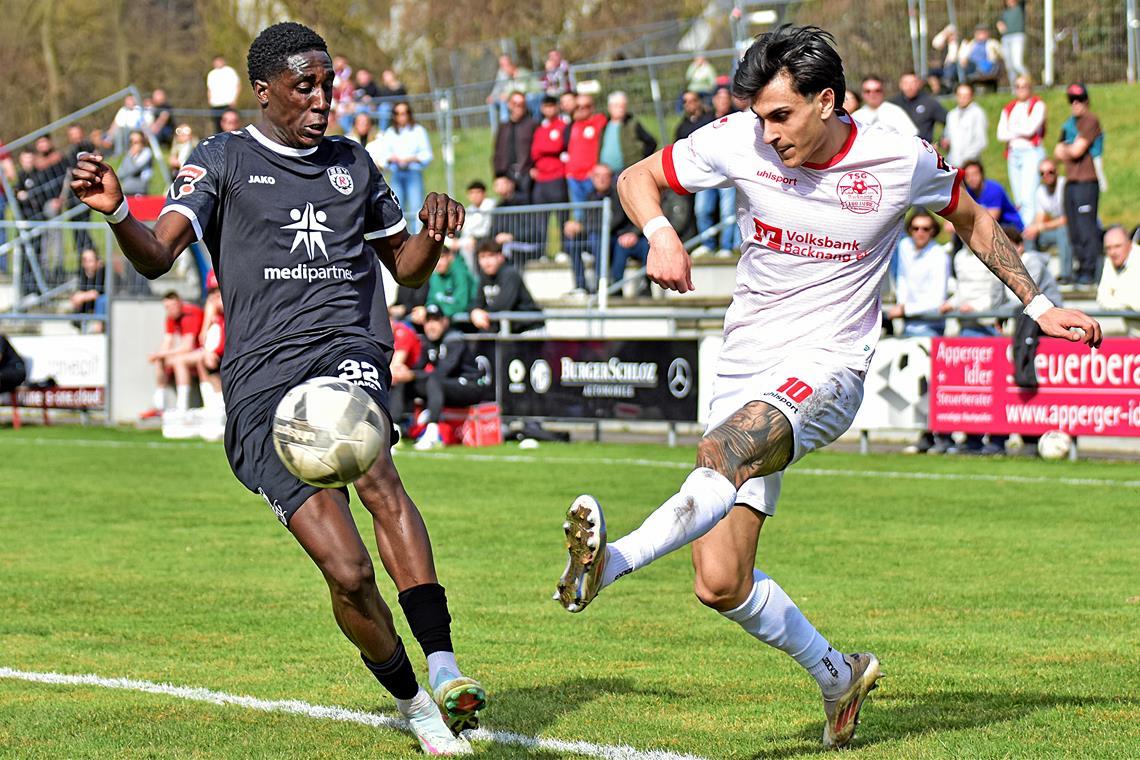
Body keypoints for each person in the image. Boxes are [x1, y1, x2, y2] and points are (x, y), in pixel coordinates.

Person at [555, 25, 1101, 750]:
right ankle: (838, 674)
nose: (768, 132)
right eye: (760, 117)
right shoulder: (739, 140)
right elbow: (635, 178)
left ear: (827, 101)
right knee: (720, 581)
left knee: (724, 452)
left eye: (781, 115)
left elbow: (971, 218)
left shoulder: (899, 158)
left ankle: (610, 564)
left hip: (829, 366)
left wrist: (1039, 305)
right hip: (744, 364)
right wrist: (659, 232)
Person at [70, 22, 483, 755]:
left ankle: (445, 665)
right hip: (260, 382)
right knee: (347, 572)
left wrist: (435, 230)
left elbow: (407, 269)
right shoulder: (221, 160)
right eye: (305, 87)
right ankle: (414, 703)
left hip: (346, 348)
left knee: (377, 472)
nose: (322, 100)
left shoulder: (354, 163)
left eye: (328, 85)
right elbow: (158, 255)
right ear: (264, 91)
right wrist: (119, 212)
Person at [889, 211, 953, 455]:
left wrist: (906, 309)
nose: (920, 233)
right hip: (910, 325)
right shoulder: (905, 247)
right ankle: (926, 434)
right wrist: (902, 304)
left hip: (929, 325)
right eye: (915, 228)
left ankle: (943, 436)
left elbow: (937, 299)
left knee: (933, 384)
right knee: (917, 386)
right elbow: (902, 280)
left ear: (933, 231)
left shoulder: (938, 255)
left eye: (926, 229)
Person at [392, 305, 493, 450]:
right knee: (403, 380)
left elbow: (443, 371)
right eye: (428, 321)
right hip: (444, 386)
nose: (431, 326)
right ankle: (394, 430)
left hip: (469, 386)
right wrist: (405, 373)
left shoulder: (454, 339)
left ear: (444, 322)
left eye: (435, 320)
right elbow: (419, 367)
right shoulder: (428, 342)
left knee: (434, 380)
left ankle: (432, 433)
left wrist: (412, 374)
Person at [1055, 83, 1104, 285]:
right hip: (1071, 182)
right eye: (1071, 100)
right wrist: (1070, 149)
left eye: (1079, 99)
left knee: (1086, 228)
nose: (1075, 103)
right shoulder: (1068, 124)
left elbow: (1076, 150)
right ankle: (1080, 268)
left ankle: (1089, 270)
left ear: (1086, 100)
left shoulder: (1090, 120)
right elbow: (1057, 152)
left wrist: (1068, 149)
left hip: (1086, 181)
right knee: (1073, 229)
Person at [368, 102, 432, 232]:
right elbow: (384, 156)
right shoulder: (390, 133)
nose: (401, 116)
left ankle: (416, 236)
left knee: (416, 208)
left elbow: (427, 155)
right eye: (397, 113)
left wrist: (411, 158)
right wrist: (392, 158)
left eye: (404, 113)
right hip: (397, 173)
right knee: (396, 208)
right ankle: (401, 238)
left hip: (413, 172)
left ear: (409, 114)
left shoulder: (418, 131)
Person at [997, 75, 1046, 227]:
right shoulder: (1010, 108)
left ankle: (1027, 230)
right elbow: (1001, 134)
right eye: (1017, 86)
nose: (1020, 90)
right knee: (1018, 198)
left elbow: (1031, 129)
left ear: (1030, 88)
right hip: (1014, 153)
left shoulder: (1037, 105)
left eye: (1024, 86)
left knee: (1028, 195)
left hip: (1031, 152)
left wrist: (1012, 129)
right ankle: (1021, 227)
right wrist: (1020, 130)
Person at [469, 239, 543, 333]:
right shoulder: (484, 276)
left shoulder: (510, 274)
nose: (486, 262)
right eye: (482, 257)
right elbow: (477, 301)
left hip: (529, 328)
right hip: (507, 328)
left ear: (500, 257)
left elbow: (502, 305)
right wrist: (474, 311)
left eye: (490, 256)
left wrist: (483, 314)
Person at [1024, 159, 1071, 282]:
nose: (1046, 175)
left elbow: (1069, 219)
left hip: (1074, 230)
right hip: (1058, 230)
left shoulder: (1065, 185)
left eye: (1050, 172)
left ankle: (1066, 275)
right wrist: (1033, 229)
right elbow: (1039, 219)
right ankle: (1030, 275)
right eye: (1042, 173)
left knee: (1063, 231)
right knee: (1030, 235)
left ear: (1057, 171)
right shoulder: (1041, 191)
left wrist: (1041, 227)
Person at [491, 91, 537, 202]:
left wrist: (535, 167)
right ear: (509, 105)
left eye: (522, 104)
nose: (518, 107)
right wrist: (498, 176)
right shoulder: (503, 127)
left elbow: (538, 149)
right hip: (507, 174)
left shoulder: (532, 125)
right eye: (515, 104)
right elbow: (497, 152)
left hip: (526, 174)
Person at [565, 94, 608, 211]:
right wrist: (569, 172)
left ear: (592, 107)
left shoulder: (599, 121)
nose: (580, 109)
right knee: (578, 212)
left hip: (590, 175)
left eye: (585, 106)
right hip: (573, 176)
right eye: (577, 106)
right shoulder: (574, 125)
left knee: (593, 212)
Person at [598, 91, 656, 174]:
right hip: (606, 173)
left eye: (623, 106)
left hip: (627, 172)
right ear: (610, 107)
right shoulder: (605, 124)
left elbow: (651, 142)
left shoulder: (632, 124)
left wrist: (641, 161)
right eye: (617, 106)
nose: (621, 109)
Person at [1096, 226, 1140, 336]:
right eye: (1108, 248)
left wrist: (1117, 295)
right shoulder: (1109, 261)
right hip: (1133, 335)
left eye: (1117, 246)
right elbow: (1102, 299)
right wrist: (1128, 303)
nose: (1113, 252)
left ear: (1129, 244)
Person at [962, 160, 1022, 231]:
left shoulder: (994, 189)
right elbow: (952, 224)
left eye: (974, 174)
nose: (971, 179)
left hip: (1010, 226)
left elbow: (992, 218)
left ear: (981, 174)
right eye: (967, 176)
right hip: (988, 228)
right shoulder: (967, 193)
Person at [941, 82, 987, 167]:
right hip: (953, 163)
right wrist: (945, 143)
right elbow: (947, 136)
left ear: (972, 96)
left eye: (966, 96)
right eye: (960, 95)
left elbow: (980, 141)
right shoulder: (952, 115)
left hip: (970, 164)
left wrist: (966, 161)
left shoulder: (977, 113)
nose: (962, 99)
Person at [890, 72, 946, 143]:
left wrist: (942, 139)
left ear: (919, 84)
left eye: (913, 83)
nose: (909, 87)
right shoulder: (892, 104)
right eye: (906, 83)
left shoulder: (929, 103)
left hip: (922, 148)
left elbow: (949, 121)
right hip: (899, 147)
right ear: (900, 85)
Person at [852, 75, 917, 136]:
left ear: (883, 92)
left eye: (877, 91)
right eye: (867, 91)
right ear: (862, 93)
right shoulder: (856, 117)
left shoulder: (896, 112)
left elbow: (911, 135)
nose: (872, 94)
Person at [425, 247, 476, 318]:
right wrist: (429, 310)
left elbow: (461, 305)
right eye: (434, 259)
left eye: (441, 257)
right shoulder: (435, 276)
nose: (438, 263)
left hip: (464, 321)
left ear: (450, 257)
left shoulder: (461, 274)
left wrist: (439, 313)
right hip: (440, 318)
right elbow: (431, 300)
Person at [70, 248, 107, 332]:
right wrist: (78, 296)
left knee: (101, 300)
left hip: (102, 302)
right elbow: (81, 291)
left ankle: (98, 328)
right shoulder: (83, 273)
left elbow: (96, 293)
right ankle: (79, 325)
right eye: (84, 260)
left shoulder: (102, 271)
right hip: (89, 304)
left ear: (97, 261)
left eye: (90, 260)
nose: (87, 263)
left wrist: (82, 296)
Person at [996, 0, 1028, 90]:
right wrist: (1000, 25)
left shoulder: (1020, 7)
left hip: (1017, 37)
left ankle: (1029, 84)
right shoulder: (1005, 12)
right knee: (1009, 66)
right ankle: (1014, 89)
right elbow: (1000, 22)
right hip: (1006, 38)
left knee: (1017, 64)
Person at [206, 55, 241, 131]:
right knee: (217, 126)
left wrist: (235, 100)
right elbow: (209, 89)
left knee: (231, 125)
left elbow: (238, 86)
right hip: (216, 104)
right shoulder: (211, 74)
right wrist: (210, 101)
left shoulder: (230, 71)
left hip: (228, 103)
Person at [118, 131, 154, 196]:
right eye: (130, 142)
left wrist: (130, 156)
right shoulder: (129, 155)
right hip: (126, 191)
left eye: (136, 142)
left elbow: (133, 169)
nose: (132, 145)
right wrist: (130, 156)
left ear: (142, 143)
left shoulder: (146, 152)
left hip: (139, 192)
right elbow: (120, 174)